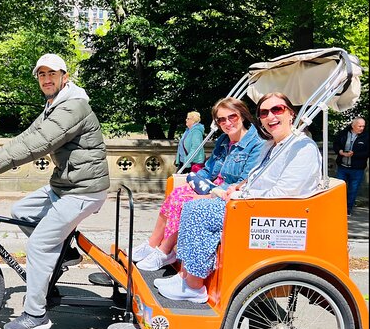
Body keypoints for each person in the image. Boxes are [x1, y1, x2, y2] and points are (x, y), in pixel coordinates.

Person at [0, 53, 110, 329]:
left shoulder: (73, 106)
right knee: (21, 211)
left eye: (52, 74)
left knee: (38, 246)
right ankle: (67, 251)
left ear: (64, 76)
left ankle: (35, 314)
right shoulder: (54, 104)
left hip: (83, 190)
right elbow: (28, 135)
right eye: (42, 75)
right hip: (66, 184)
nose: (46, 79)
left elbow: (42, 142)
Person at [156, 92, 322, 303]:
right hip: (251, 204)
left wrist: (241, 196)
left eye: (277, 109)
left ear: (291, 113)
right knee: (192, 204)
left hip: (271, 213)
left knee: (199, 211)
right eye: (264, 113)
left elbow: (285, 193)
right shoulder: (272, 145)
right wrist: (238, 188)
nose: (270, 116)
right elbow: (255, 177)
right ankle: (186, 275)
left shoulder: (302, 147)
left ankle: (194, 286)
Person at [133, 97, 264, 272]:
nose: (227, 122)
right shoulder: (224, 141)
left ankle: (165, 251)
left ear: (242, 115)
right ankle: (152, 244)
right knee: (177, 193)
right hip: (214, 186)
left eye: (232, 117)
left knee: (186, 201)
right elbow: (208, 170)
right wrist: (192, 179)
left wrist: (207, 195)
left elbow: (245, 180)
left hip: (230, 195)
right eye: (221, 120)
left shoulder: (255, 143)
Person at [333, 117, 368, 216]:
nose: (362, 128)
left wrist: (354, 154)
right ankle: (337, 208)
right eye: (359, 126)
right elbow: (336, 144)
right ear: (353, 125)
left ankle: (347, 209)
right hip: (342, 167)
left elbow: (367, 152)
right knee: (338, 189)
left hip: (357, 168)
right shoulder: (344, 133)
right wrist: (340, 152)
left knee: (353, 190)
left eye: (363, 126)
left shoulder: (366, 136)